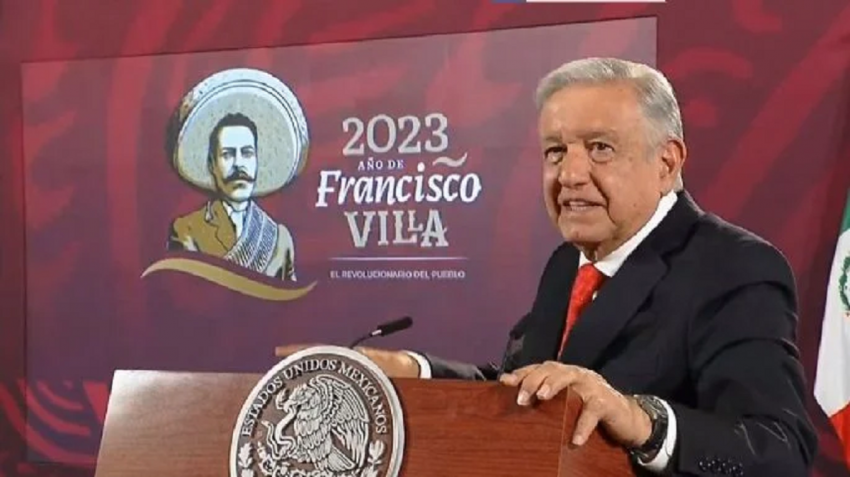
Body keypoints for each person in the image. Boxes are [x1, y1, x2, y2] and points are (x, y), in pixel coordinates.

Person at [279, 57, 817, 475]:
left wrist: (641, 421)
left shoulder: (734, 267)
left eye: (600, 148)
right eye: (556, 151)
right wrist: (413, 372)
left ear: (667, 162)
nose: (571, 174)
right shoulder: (568, 263)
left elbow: (780, 449)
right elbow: (525, 385)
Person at [168, 113, 297, 280]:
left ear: (257, 160)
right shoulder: (187, 230)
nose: (238, 164)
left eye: (247, 153)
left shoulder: (279, 238)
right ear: (212, 164)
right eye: (227, 154)